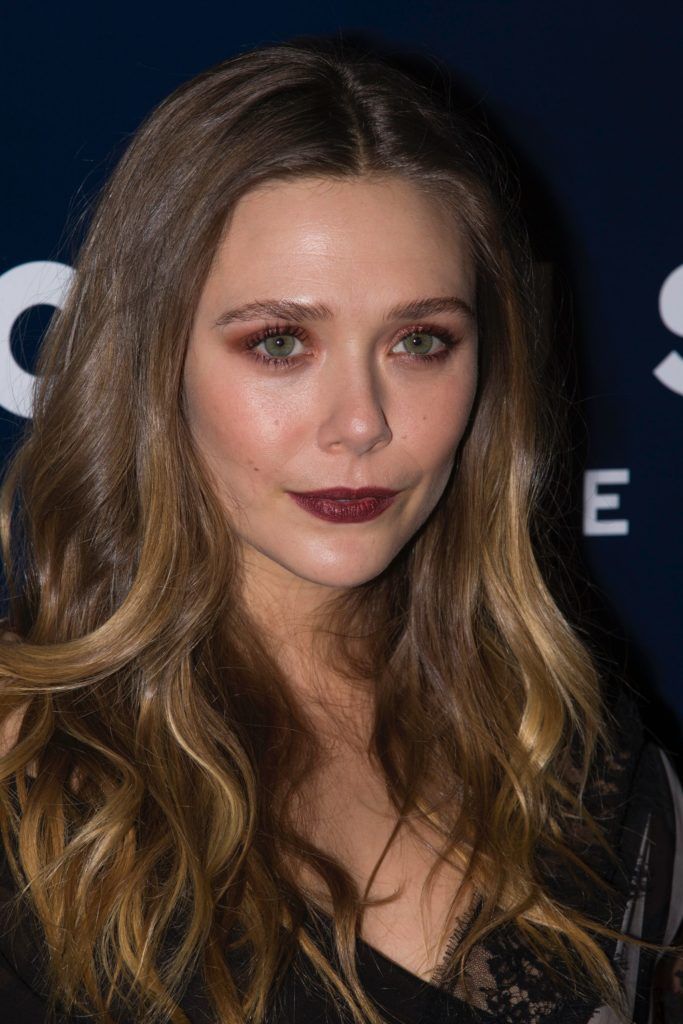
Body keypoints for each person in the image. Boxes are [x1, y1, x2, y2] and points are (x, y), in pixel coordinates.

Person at [0, 35, 680, 1024]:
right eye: (279, 342)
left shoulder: (575, 752)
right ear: (153, 365)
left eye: (419, 341)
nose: (359, 421)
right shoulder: (25, 763)